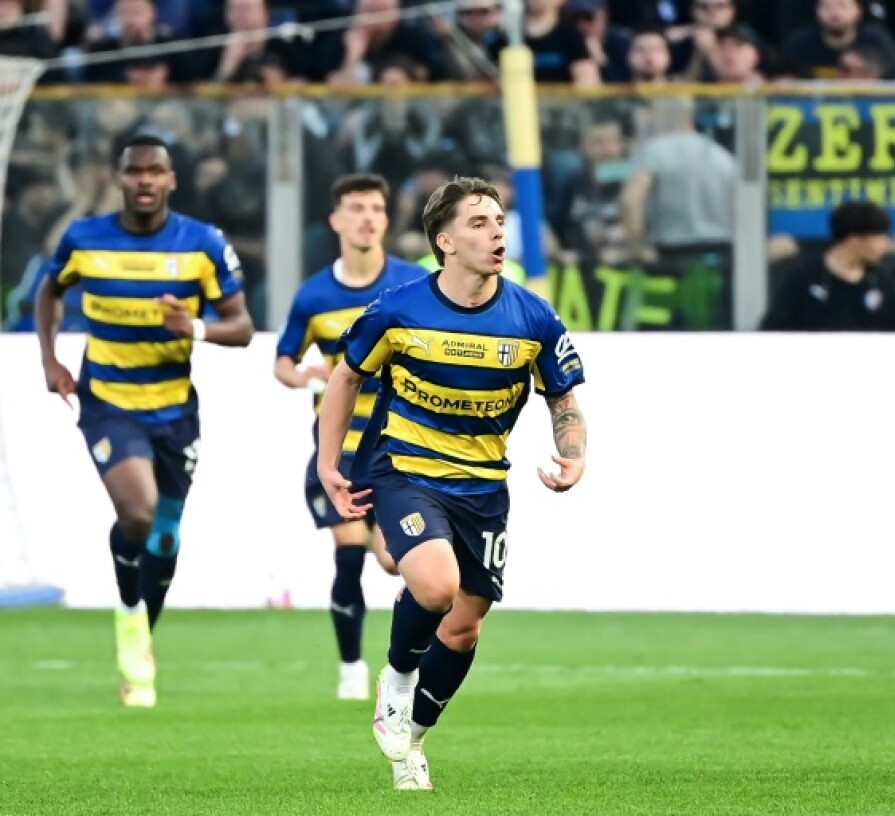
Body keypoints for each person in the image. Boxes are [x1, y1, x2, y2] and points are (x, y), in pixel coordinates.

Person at [317, 176, 587, 791]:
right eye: (479, 222)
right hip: (405, 471)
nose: (496, 232)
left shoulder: (533, 317)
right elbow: (345, 378)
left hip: (485, 486)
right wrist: (329, 465)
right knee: (437, 588)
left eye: (499, 220)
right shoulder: (397, 309)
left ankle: (411, 739)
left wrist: (573, 455)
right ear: (445, 240)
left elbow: (563, 399)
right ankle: (397, 678)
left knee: (465, 625)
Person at [35, 133, 255, 707]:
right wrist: (50, 358)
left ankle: (140, 637)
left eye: (156, 171)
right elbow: (48, 293)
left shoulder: (202, 244)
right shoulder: (85, 239)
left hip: (175, 410)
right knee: (136, 513)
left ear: (171, 179)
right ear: (119, 178)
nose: (145, 181)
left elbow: (243, 326)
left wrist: (196, 328)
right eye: (135, 172)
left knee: (164, 534)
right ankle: (131, 616)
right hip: (107, 400)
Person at [274, 173, 429, 701]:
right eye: (356, 208)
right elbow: (283, 362)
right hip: (338, 454)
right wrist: (304, 376)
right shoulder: (314, 294)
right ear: (336, 220)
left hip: (398, 453)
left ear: (386, 220)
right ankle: (349, 669)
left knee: (394, 561)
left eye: (376, 208)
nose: (367, 217)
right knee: (347, 551)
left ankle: (406, 658)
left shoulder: (412, 284)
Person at [759, 200, 895, 331]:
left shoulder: (881, 282)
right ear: (855, 240)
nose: (885, 244)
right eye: (879, 237)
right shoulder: (803, 280)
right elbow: (774, 329)